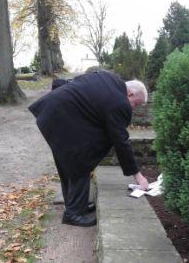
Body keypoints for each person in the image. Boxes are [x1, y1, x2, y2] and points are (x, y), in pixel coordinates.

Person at [29, 70, 149, 227]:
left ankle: (75, 204)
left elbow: (78, 82)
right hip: (62, 117)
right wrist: (138, 176)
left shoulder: (107, 77)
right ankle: (73, 214)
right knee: (82, 159)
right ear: (131, 94)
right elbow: (121, 141)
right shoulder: (120, 102)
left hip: (52, 111)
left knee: (68, 161)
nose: (133, 108)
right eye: (135, 104)